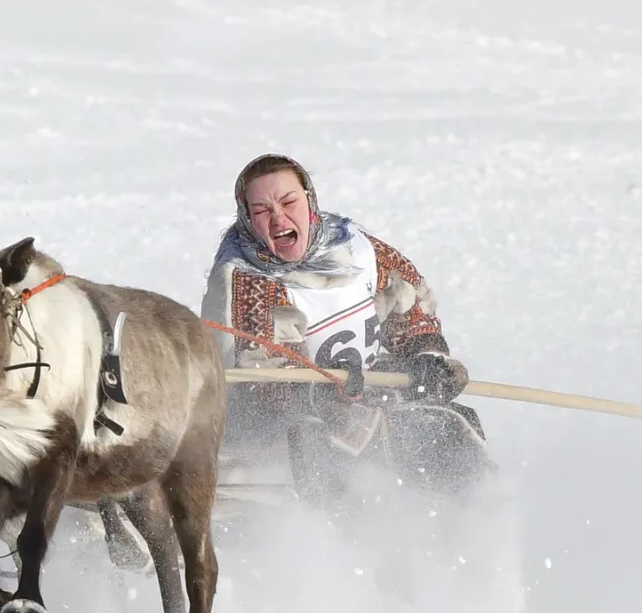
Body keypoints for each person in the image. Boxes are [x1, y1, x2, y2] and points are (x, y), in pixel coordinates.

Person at [200, 153, 492, 504]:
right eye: (262, 211)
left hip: (368, 399)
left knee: (450, 429)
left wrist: (425, 358)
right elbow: (267, 378)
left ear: (310, 202)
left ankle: (480, 521)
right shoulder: (248, 282)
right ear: (248, 220)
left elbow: (409, 305)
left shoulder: (353, 247)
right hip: (284, 429)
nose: (278, 218)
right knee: (322, 451)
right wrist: (325, 389)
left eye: (288, 201)